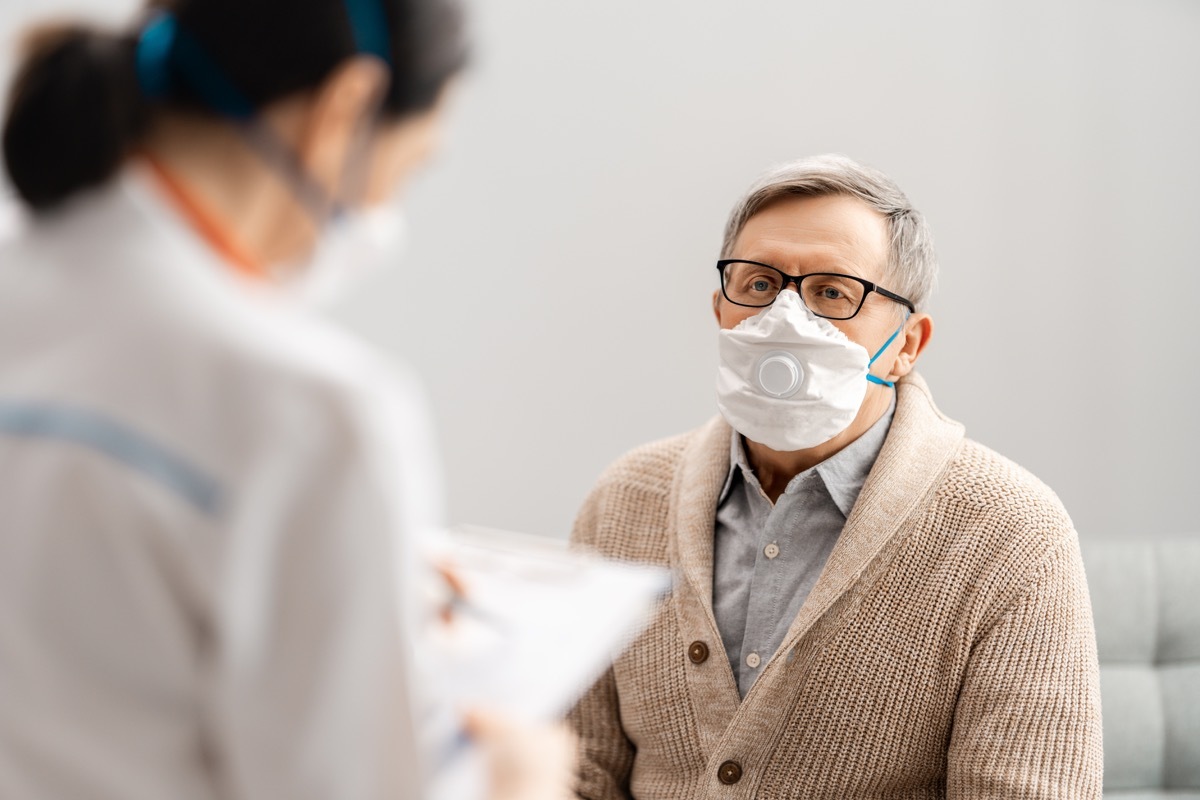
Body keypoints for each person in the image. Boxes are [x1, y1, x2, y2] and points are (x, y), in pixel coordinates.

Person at [0, 1, 572, 798]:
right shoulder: (305, 409)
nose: (383, 215)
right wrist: (509, 783)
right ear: (345, 107)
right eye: (406, 168)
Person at [567, 154, 1103, 798]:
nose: (785, 319)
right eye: (760, 284)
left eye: (832, 293)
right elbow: (573, 769)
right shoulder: (626, 500)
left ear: (907, 344)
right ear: (720, 309)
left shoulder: (1013, 535)